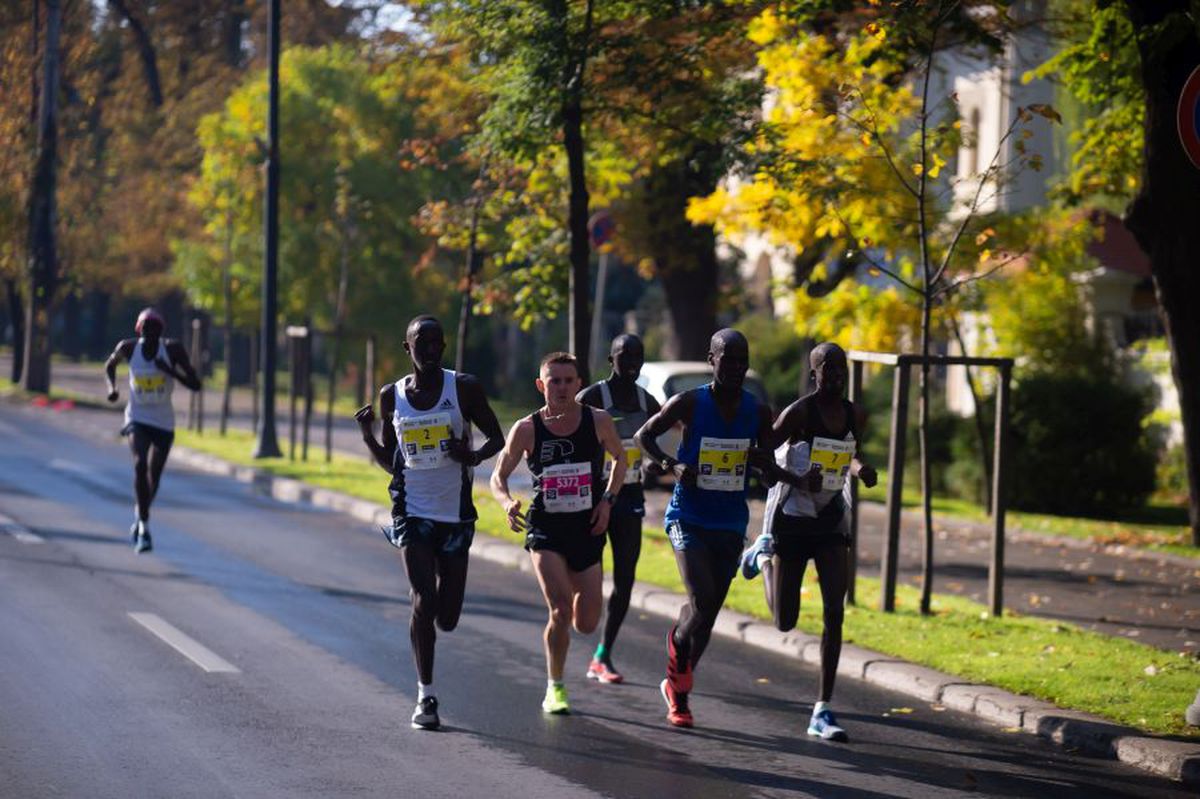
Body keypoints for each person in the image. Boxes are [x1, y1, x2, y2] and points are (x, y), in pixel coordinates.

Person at [356, 315, 505, 731]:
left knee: (448, 617)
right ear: (407, 349)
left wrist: (471, 455)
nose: (431, 349)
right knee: (423, 600)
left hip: (454, 514)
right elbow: (393, 463)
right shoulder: (393, 396)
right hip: (412, 511)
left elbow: (497, 437)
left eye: (437, 342)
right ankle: (425, 696)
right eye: (422, 343)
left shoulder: (465, 388)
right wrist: (369, 436)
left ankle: (437, 613)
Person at [635, 329, 788, 728]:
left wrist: (761, 461)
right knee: (702, 600)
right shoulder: (688, 402)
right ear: (711, 359)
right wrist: (673, 465)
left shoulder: (757, 411)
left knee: (706, 611)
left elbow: (770, 473)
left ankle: (678, 680)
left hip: (731, 519)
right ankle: (679, 688)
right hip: (688, 515)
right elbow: (643, 436)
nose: (737, 366)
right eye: (729, 358)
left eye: (743, 359)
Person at [739, 342, 877, 742]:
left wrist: (860, 468)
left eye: (840, 370)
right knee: (785, 621)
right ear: (814, 373)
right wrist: (797, 480)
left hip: (832, 518)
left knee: (836, 608)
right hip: (792, 519)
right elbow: (761, 458)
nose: (834, 376)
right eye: (827, 369)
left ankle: (822, 708)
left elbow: (847, 453)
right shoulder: (798, 412)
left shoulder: (854, 413)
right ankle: (763, 555)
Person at [490, 352, 626, 715]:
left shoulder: (597, 421)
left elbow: (620, 459)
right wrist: (506, 503)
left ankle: (564, 664)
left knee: (586, 622)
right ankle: (556, 686)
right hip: (546, 527)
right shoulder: (527, 428)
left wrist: (608, 501)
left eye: (569, 380)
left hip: (587, 526)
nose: (562, 388)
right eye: (555, 381)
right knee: (561, 610)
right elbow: (497, 476)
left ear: (579, 383)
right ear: (541, 385)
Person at [576, 334, 661, 684]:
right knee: (587, 577)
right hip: (591, 500)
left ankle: (603, 654)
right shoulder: (592, 398)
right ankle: (577, 621)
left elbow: (661, 443)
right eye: (625, 356)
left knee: (625, 580)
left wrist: (657, 464)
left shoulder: (649, 401)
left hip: (629, 500)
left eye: (638, 356)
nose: (631, 363)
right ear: (611, 359)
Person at [104, 308, 202, 554]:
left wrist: (169, 370)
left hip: (163, 423)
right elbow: (110, 364)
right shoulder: (128, 348)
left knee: (154, 479)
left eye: (155, 329)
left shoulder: (172, 350)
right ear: (139, 330)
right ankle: (144, 530)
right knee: (139, 465)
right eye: (145, 329)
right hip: (137, 418)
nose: (149, 333)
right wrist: (112, 388)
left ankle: (140, 516)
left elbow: (196, 385)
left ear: (161, 331)